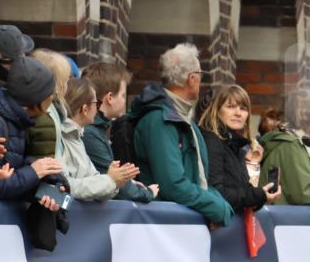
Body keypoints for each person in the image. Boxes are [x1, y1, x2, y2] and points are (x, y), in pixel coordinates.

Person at [126, 43, 232, 226]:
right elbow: (173, 185)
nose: (200, 80)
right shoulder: (160, 120)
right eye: (200, 75)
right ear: (192, 78)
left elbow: (200, 180)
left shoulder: (181, 118)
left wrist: (219, 206)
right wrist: (218, 209)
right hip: (165, 227)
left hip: (179, 224)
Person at [0, 56, 64, 210]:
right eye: (49, 93)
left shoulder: (17, 118)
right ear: (36, 97)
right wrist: (33, 172)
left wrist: (48, 180)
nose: (53, 97)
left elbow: (12, 169)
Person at [79, 62, 156, 203]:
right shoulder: (90, 133)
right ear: (109, 98)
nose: (124, 100)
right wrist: (147, 193)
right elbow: (113, 184)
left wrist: (130, 183)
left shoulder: (97, 129)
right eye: (123, 95)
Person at [57, 77, 143, 202]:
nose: (98, 108)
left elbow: (94, 180)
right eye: (96, 103)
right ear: (85, 109)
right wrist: (110, 180)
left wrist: (115, 180)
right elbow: (66, 187)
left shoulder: (77, 137)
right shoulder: (61, 137)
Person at [199, 84, 281, 212]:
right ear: (217, 110)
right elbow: (216, 194)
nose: (238, 113)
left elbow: (243, 193)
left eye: (243, 108)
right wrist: (258, 195)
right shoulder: (212, 141)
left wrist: (263, 196)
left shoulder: (236, 145)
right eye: (230, 107)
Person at [259, 87, 310, 215]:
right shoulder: (292, 145)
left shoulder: (302, 144)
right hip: (286, 227)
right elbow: (306, 196)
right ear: (309, 116)